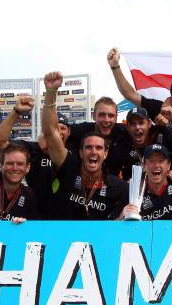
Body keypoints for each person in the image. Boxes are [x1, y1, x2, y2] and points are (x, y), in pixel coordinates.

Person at [41, 71, 128, 220]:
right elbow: (50, 131)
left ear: (106, 154)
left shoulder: (118, 187)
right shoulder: (68, 169)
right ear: (80, 153)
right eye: (88, 147)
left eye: (99, 148)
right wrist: (51, 92)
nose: (93, 151)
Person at [0, 95, 71, 218]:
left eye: (62, 128)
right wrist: (16, 111)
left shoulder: (77, 151)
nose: (58, 132)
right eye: (54, 128)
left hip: (67, 220)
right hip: (35, 217)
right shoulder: (32, 149)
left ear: (69, 132)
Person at [66, 96, 127, 176]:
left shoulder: (123, 132)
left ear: (116, 118)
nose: (106, 120)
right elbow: (60, 130)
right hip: (82, 185)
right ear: (94, 116)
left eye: (111, 115)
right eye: (102, 115)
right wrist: (45, 137)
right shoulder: (82, 130)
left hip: (112, 186)